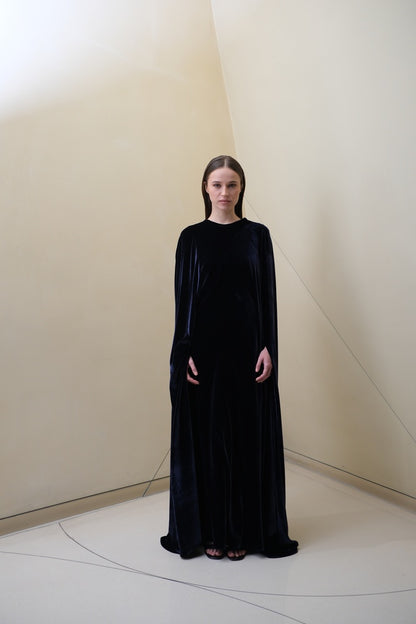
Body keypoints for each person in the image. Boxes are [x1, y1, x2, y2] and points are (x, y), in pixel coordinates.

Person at [160, 155, 298, 561]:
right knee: (208, 443)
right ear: (206, 188)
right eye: (217, 184)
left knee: (245, 441)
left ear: (241, 188)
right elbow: (183, 302)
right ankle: (212, 533)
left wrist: (268, 346)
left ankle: (242, 533)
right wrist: (183, 351)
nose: (225, 192)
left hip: (248, 353)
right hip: (204, 356)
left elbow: (267, 297)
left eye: (232, 184)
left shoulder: (258, 236)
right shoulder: (191, 238)